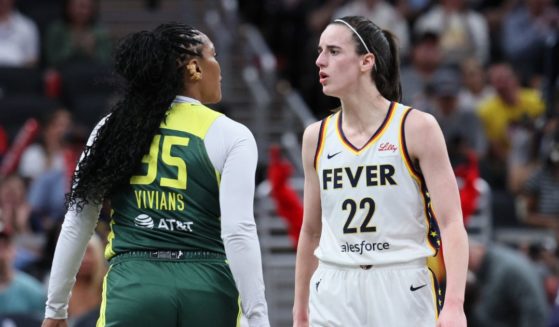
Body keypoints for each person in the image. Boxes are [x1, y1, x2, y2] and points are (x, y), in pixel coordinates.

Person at [42, 22, 269, 327]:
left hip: (136, 284)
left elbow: (78, 219)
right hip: (207, 285)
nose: (220, 68)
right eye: (213, 56)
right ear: (193, 68)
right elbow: (238, 231)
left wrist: (56, 308)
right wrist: (258, 316)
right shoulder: (232, 134)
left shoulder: (112, 127)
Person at [293, 16, 468, 326]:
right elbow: (310, 231)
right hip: (333, 285)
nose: (320, 60)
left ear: (366, 61)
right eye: (320, 51)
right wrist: (300, 309)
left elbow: (452, 222)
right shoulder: (315, 137)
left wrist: (454, 303)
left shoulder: (417, 127)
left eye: (333, 51)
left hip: (402, 283)